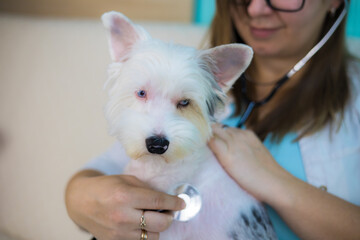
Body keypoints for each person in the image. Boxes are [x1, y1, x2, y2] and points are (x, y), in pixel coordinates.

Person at [65, 0, 360, 239]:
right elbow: (101, 172)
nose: (256, 8)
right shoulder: (178, 68)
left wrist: (272, 181)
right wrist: (81, 200)